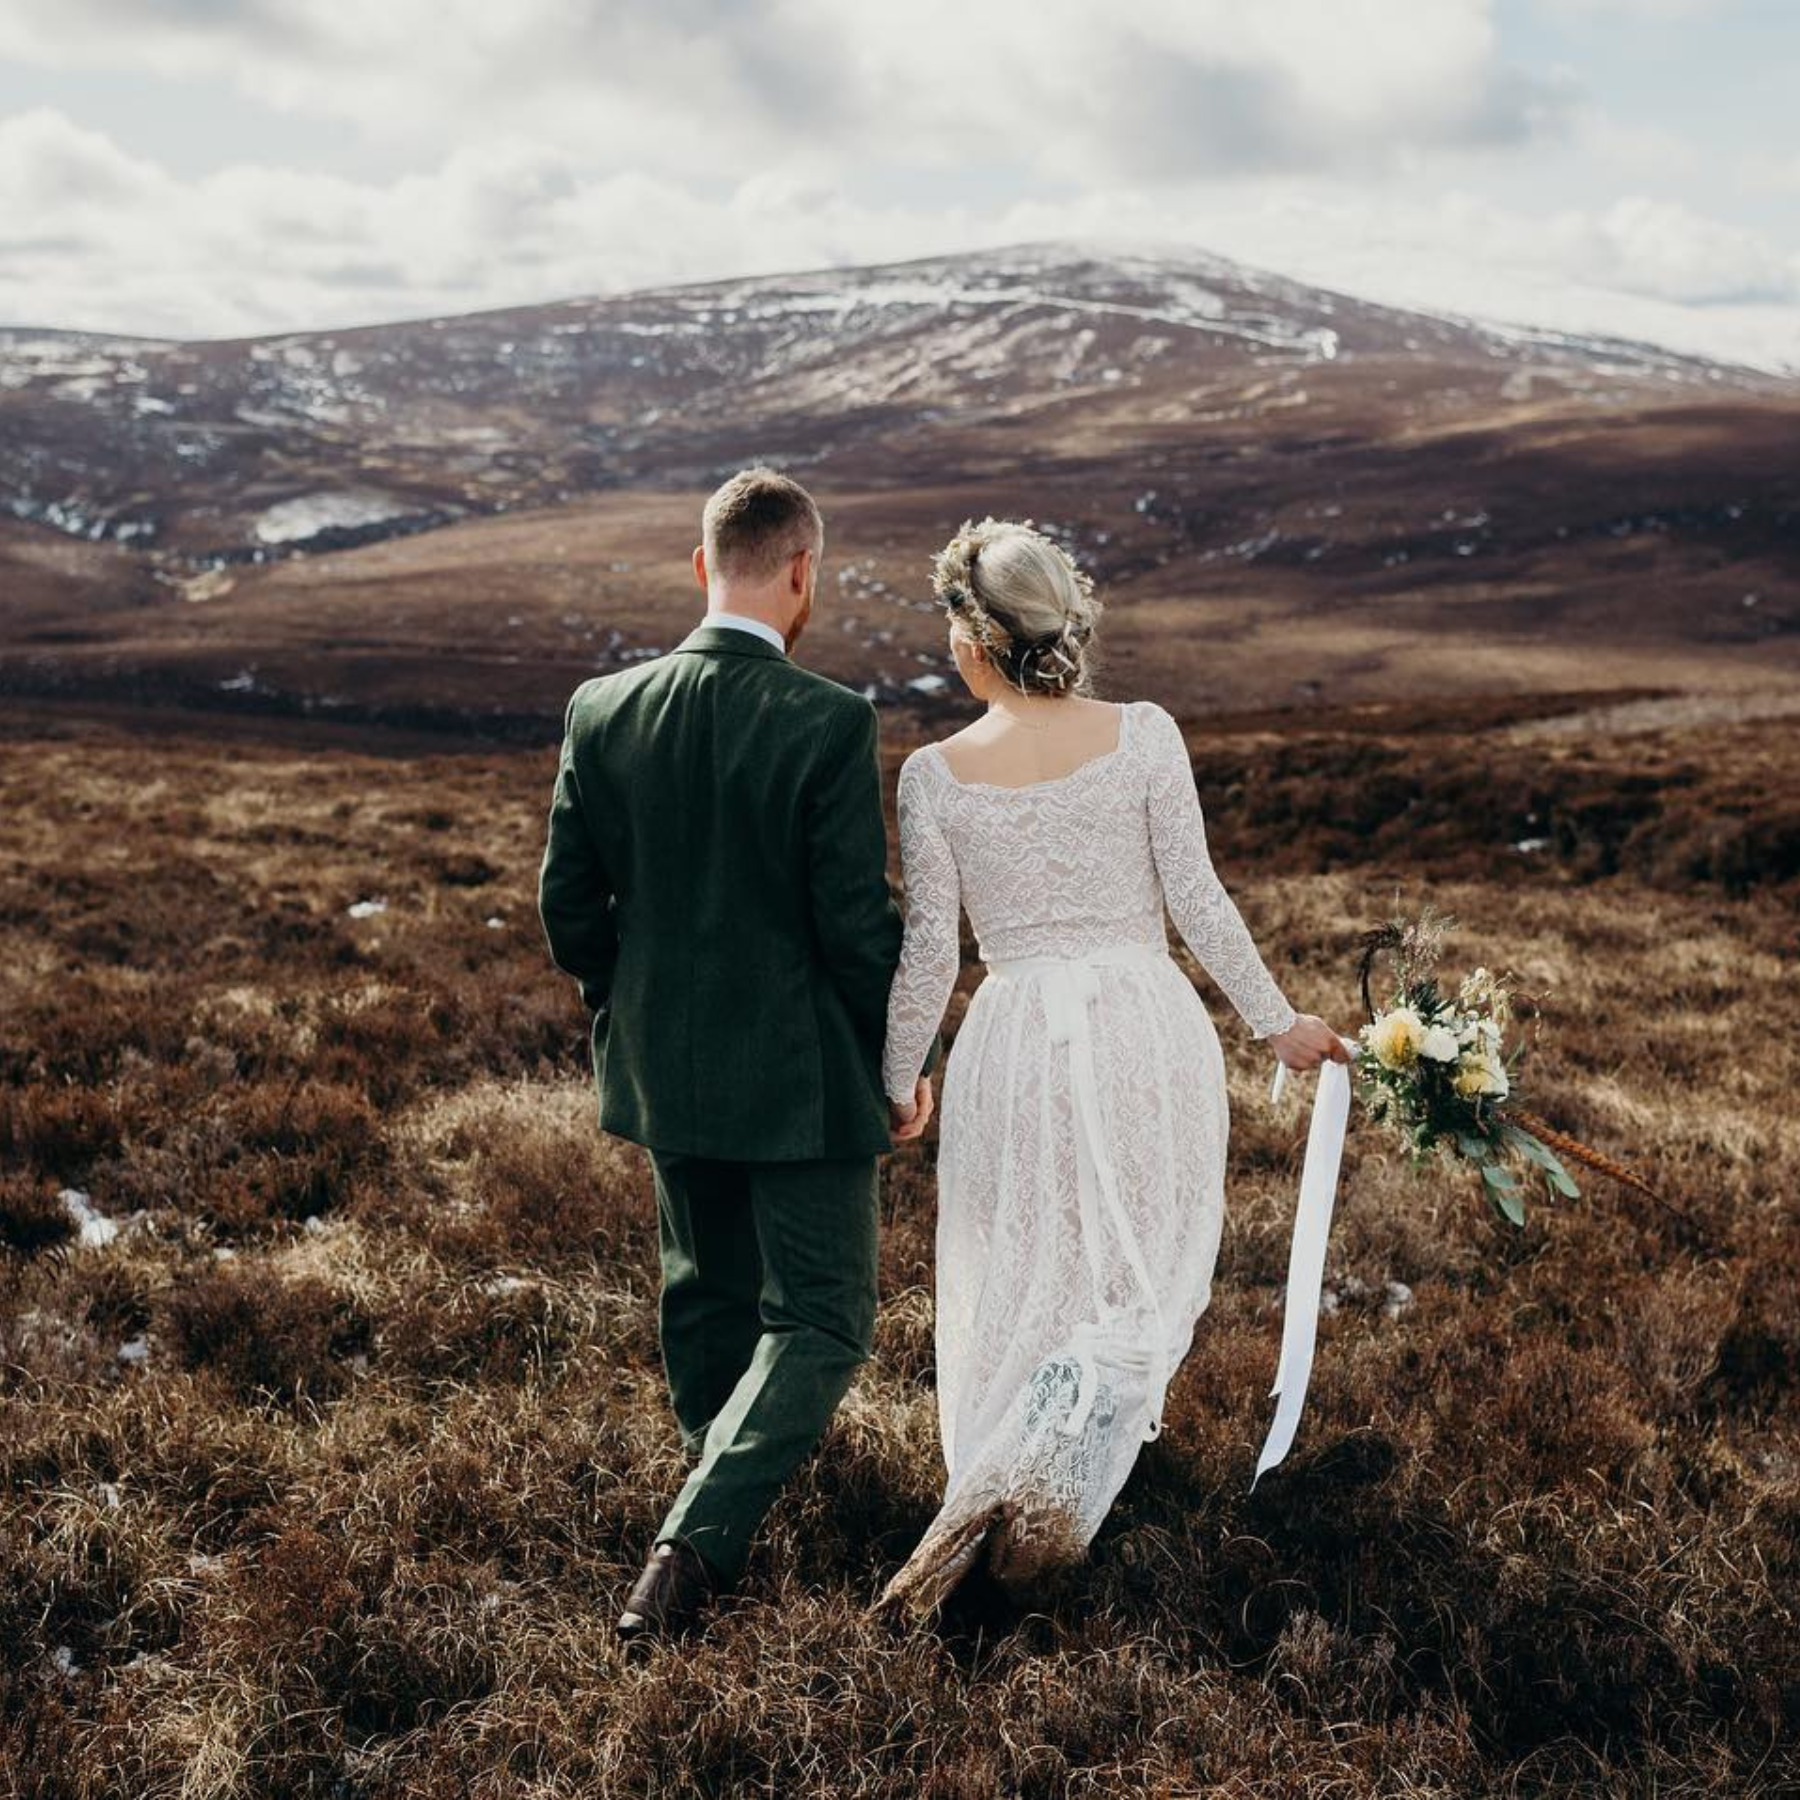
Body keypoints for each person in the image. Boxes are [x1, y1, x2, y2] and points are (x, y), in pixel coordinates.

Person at [877, 516, 1348, 1613]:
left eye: (954, 626)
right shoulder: (1144, 734)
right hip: (1148, 1023)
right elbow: (1197, 899)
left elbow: (931, 953)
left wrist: (900, 1078)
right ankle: (1037, 1523)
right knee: (1135, 1276)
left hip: (1014, 1044)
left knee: (1028, 1266)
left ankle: (1005, 1512)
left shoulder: (934, 776)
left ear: (979, 638)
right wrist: (1275, 1022)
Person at [537, 467, 934, 1644]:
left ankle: (714, 1504)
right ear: (804, 572)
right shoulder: (827, 721)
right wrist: (898, 1059)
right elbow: (856, 930)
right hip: (802, 1082)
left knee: (704, 1298)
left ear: (701, 566)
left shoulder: (600, 709)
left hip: (662, 1064)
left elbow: (569, 905)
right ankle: (694, 1547)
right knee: (823, 1317)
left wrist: (627, 1006)